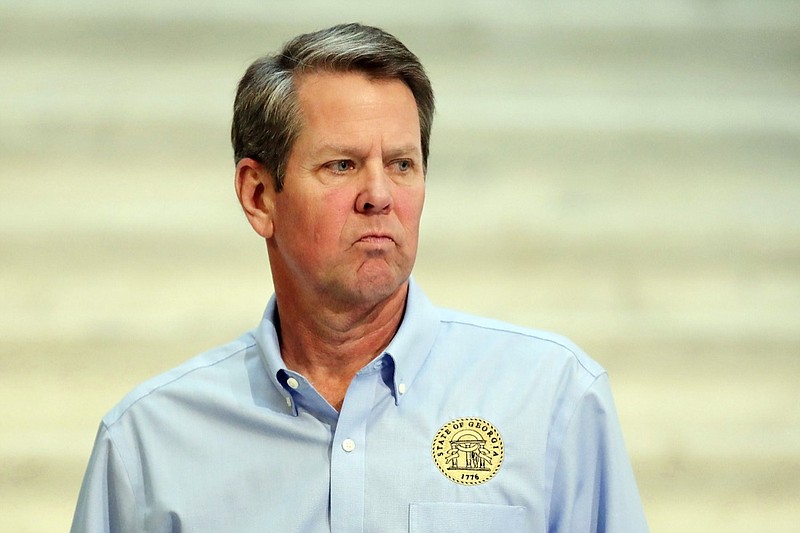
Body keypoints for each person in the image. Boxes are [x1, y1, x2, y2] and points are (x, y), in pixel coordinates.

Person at [71, 23, 648, 532]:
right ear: (258, 195)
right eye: (341, 165)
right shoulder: (149, 442)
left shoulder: (552, 399)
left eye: (402, 165)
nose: (378, 196)